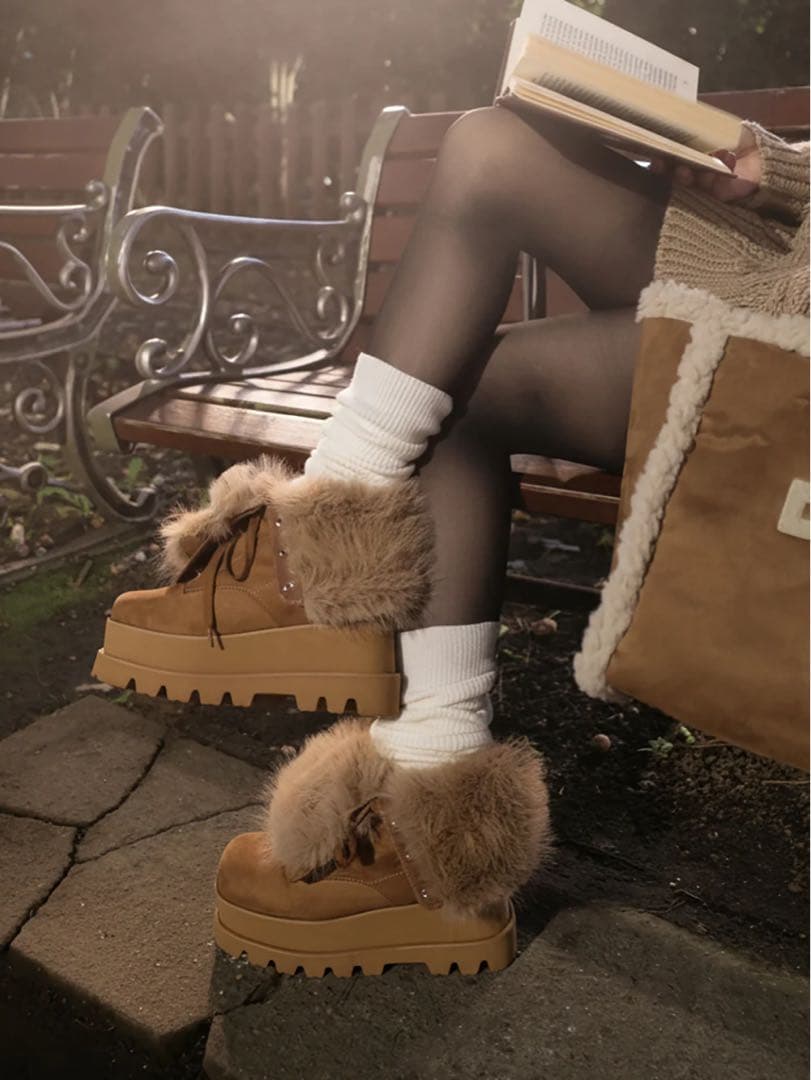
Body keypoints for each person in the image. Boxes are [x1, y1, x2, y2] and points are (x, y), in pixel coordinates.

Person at [97, 104, 809, 976]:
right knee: (493, 145)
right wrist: (772, 165)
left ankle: (313, 572)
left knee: (465, 353)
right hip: (778, 259)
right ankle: (425, 801)